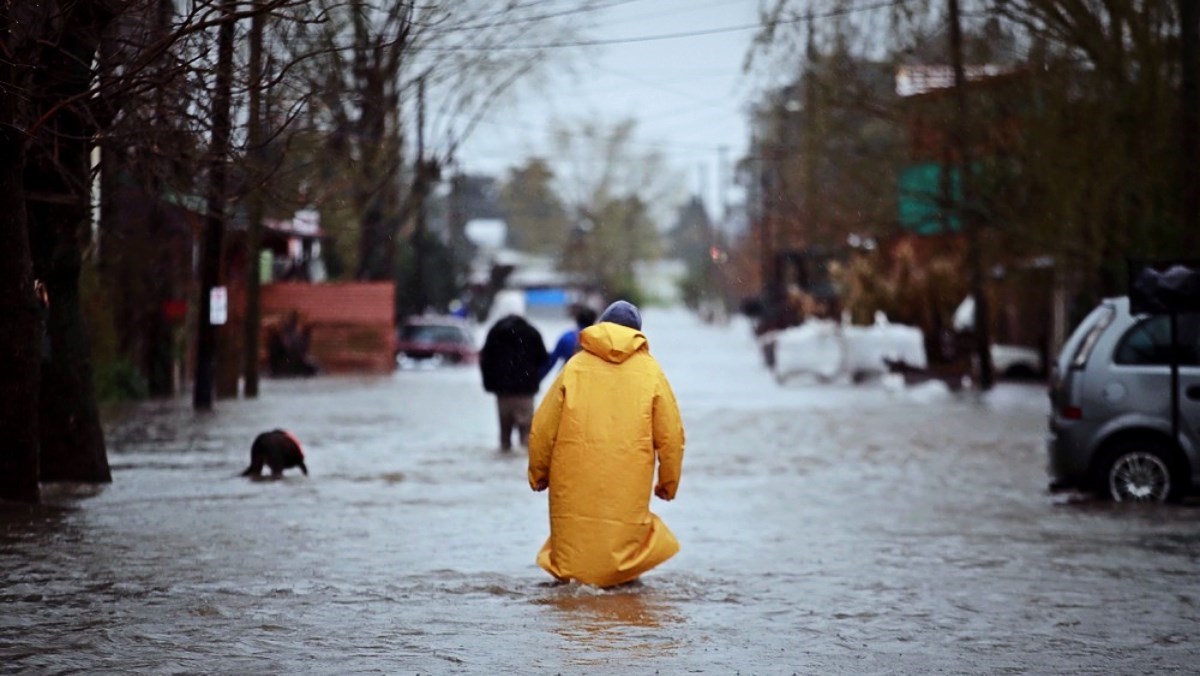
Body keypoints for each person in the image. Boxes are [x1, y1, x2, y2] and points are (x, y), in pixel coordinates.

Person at [528, 300, 685, 587]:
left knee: (574, 552)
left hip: (575, 476)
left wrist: (539, 474)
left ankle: (571, 598)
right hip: (628, 477)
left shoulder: (575, 367)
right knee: (624, 550)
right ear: (637, 332)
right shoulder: (650, 372)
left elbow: (542, 428)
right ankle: (620, 594)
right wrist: (668, 483)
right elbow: (671, 435)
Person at [479, 313, 548, 452]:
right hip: (526, 393)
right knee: (526, 437)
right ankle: (522, 469)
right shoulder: (532, 333)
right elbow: (543, 359)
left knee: (505, 437)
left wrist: (490, 385)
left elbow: (485, 360)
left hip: (503, 393)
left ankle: (503, 466)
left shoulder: (495, 333)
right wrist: (534, 379)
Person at [538, 304, 597, 381]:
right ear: (594, 321)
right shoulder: (597, 339)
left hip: (567, 378)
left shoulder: (567, 337)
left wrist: (537, 379)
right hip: (590, 379)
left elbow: (552, 361)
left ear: (577, 320)